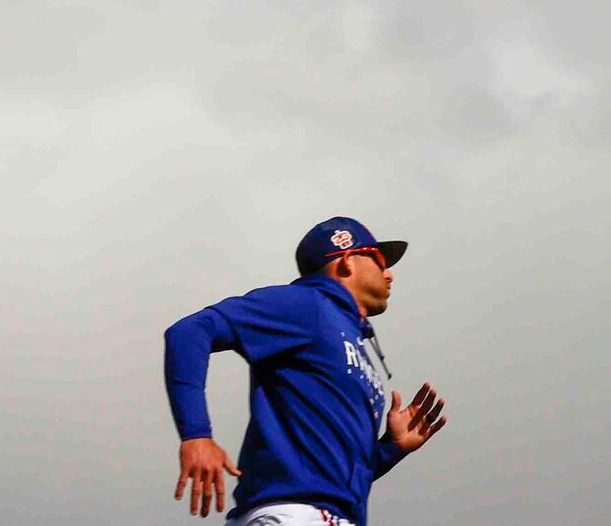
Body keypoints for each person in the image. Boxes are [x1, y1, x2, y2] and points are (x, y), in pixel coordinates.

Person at [162, 216, 449, 524]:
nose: (389, 274)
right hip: (295, 515)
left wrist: (390, 449)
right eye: (379, 260)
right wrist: (196, 435)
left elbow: (330, 475)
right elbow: (190, 332)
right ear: (348, 261)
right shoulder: (305, 305)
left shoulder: (347, 335)